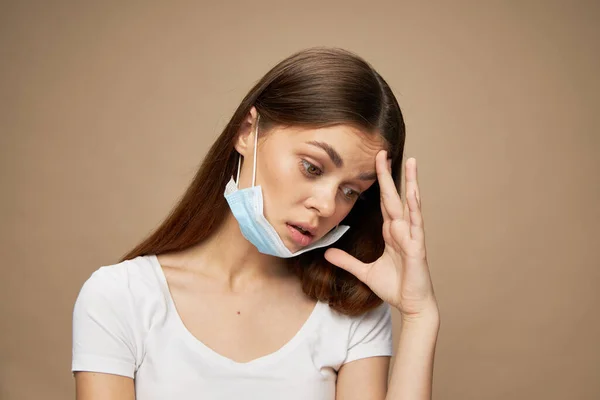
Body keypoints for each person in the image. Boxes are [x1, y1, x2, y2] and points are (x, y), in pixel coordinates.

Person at [72, 47, 440, 400]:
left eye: (351, 191)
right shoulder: (122, 297)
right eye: (312, 167)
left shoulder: (350, 310)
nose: (326, 205)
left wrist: (419, 315)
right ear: (248, 131)